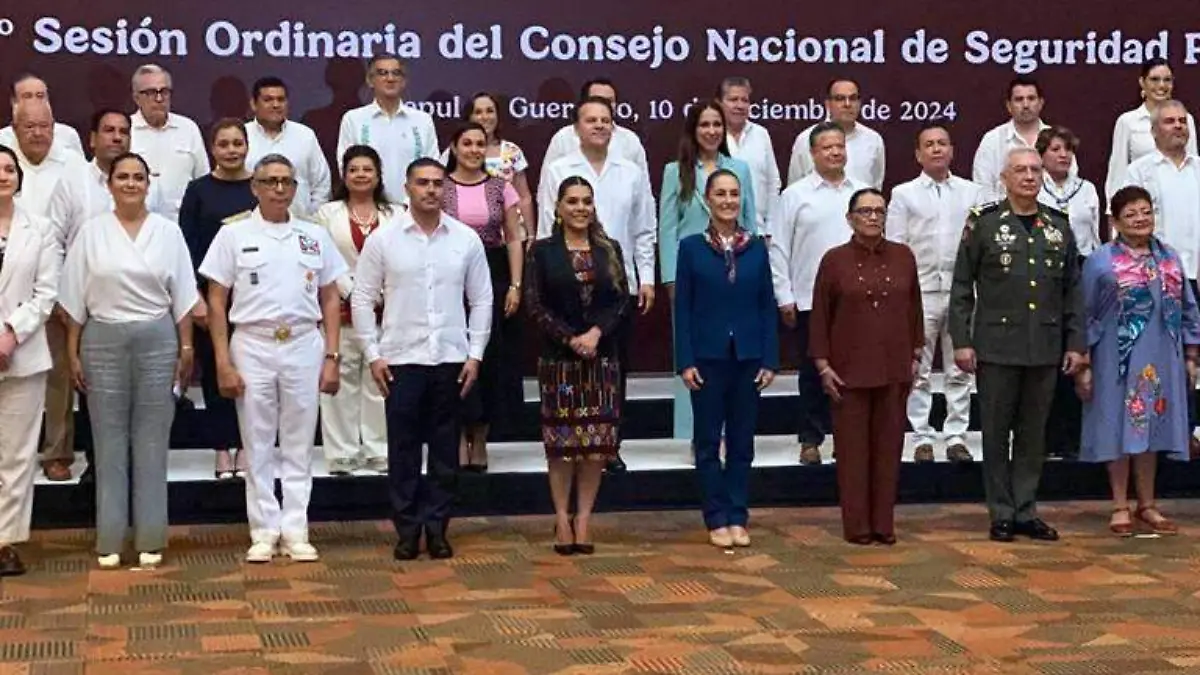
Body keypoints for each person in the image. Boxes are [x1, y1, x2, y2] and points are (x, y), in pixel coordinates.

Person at [198, 154, 345, 563]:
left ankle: (296, 528)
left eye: (286, 181)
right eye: (270, 181)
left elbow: (331, 295)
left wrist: (332, 355)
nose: (279, 189)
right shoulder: (233, 235)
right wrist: (223, 360)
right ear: (255, 187)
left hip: (302, 341)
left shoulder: (313, 234)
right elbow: (216, 297)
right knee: (257, 441)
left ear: (296, 188)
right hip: (253, 342)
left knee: (299, 441)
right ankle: (263, 530)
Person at [59, 152, 199, 569]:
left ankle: (152, 536)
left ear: (148, 185)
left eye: (139, 177)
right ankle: (110, 537)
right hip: (101, 341)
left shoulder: (167, 233)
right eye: (123, 177)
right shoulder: (90, 233)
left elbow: (184, 300)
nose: (131, 184)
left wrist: (186, 348)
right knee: (108, 440)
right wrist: (72, 352)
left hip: (158, 339)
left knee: (153, 439)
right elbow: (74, 301)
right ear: (109, 184)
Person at [352, 158, 492, 561]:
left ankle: (438, 527)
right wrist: (374, 354)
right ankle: (408, 530)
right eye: (422, 183)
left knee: (446, 452)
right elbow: (362, 297)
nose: (430, 190)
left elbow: (481, 299)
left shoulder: (465, 239)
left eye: (436, 183)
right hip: (401, 359)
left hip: (450, 358)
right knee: (404, 451)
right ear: (407, 187)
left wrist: (475, 354)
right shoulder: (384, 239)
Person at [949, 147, 1086, 543]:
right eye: (1020, 170)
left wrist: (1075, 342)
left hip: (1044, 344)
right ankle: (1001, 512)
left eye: (1035, 170)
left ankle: (1026, 509)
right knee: (995, 431)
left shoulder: (1058, 225)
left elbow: (1072, 291)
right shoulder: (985, 223)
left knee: (1033, 434)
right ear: (1004, 179)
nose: (1029, 176)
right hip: (996, 344)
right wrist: (962, 340)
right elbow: (962, 286)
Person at [47, 109, 166, 483]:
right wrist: (62, 299)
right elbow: (54, 239)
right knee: (94, 395)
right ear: (92, 139)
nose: (117, 137)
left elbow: (158, 242)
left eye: (123, 131)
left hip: (141, 307)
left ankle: (133, 469)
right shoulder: (72, 180)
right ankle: (98, 469)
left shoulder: (149, 185)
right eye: (109, 131)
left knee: (136, 398)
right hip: (84, 303)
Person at [538, 96, 656, 474]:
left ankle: (609, 445)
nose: (600, 126)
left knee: (614, 369)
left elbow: (644, 230)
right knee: (568, 367)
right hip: (565, 285)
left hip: (615, 289)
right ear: (577, 128)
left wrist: (646, 277)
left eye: (606, 120)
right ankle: (568, 444)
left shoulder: (631, 172)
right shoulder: (559, 168)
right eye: (592, 120)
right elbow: (545, 223)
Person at [1078, 186, 1200, 536]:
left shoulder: (1170, 258)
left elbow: (1189, 307)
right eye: (1130, 214)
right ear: (1115, 221)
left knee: (1152, 428)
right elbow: (1084, 314)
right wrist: (1084, 362)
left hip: (1163, 357)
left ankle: (1147, 504)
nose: (1140, 219)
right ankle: (1119, 504)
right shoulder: (1100, 261)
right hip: (1115, 358)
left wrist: (1191, 354)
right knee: (1119, 428)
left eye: (1145, 211)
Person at [810, 188, 922, 545]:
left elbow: (915, 310)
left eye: (879, 211)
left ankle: (883, 524)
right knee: (853, 453)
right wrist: (823, 365)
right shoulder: (834, 260)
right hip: (848, 371)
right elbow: (821, 317)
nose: (873, 217)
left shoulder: (904, 257)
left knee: (889, 451)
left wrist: (916, 353)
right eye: (865, 212)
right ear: (850, 218)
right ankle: (857, 525)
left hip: (893, 368)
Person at [524, 176, 629, 555]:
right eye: (572, 201)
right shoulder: (542, 251)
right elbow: (535, 305)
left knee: (596, 445)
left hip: (601, 360)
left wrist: (596, 334)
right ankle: (561, 516)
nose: (580, 208)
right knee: (563, 445)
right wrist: (571, 338)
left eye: (587, 201)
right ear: (558, 207)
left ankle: (584, 517)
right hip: (560, 362)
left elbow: (621, 301)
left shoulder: (609, 248)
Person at [674, 170, 778, 548]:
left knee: (742, 442)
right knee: (707, 441)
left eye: (734, 194)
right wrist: (685, 360)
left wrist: (770, 358)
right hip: (706, 357)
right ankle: (715, 515)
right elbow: (682, 309)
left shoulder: (756, 248)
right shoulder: (691, 248)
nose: (729, 200)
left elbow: (766, 304)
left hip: (748, 357)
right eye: (721, 194)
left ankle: (737, 513)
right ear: (707, 198)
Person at [768, 121, 866, 465]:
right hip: (809, 298)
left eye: (840, 146)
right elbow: (778, 246)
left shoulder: (862, 193)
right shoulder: (795, 195)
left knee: (853, 373)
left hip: (857, 301)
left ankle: (847, 438)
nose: (835, 152)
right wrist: (785, 295)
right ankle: (810, 440)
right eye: (827, 147)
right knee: (812, 374)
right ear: (812, 153)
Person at [660, 101, 757, 440]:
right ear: (693, 129)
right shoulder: (676, 170)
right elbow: (668, 227)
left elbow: (750, 220)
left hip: (733, 272)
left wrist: (752, 266)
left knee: (732, 353)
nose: (712, 131)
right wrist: (670, 277)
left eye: (717, 124)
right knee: (693, 354)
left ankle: (731, 434)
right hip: (693, 272)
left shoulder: (739, 169)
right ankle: (696, 435)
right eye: (705, 125)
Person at [887, 123, 982, 463]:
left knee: (960, 368)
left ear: (952, 150)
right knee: (917, 367)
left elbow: (979, 244)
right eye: (929, 144)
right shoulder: (903, 194)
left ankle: (956, 435)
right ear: (918, 154)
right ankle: (921, 436)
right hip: (921, 291)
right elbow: (896, 247)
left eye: (943, 143)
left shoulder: (973, 192)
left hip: (961, 292)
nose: (937, 149)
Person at [11, 99, 88, 481]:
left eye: (45, 126)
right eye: (30, 127)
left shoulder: (73, 165)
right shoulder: (6, 163)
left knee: (59, 374)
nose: (38, 133)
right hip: (9, 286)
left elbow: (73, 230)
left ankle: (58, 452)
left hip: (57, 286)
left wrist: (61, 292)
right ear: (15, 129)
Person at [178, 118, 258, 480]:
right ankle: (222, 449)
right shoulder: (198, 191)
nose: (231, 150)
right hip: (212, 299)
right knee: (215, 375)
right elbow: (186, 248)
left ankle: (247, 446)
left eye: (237, 143)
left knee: (252, 378)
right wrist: (194, 297)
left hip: (254, 299)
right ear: (212, 149)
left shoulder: (260, 188)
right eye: (224, 144)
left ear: (247, 146)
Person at [442, 124, 523, 471]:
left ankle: (481, 439)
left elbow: (514, 237)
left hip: (493, 273)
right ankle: (458, 436)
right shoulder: (439, 186)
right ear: (455, 149)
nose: (474, 149)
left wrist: (516, 285)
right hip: (448, 275)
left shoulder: (500, 187)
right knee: (454, 358)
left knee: (489, 358)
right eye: (467, 144)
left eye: (480, 144)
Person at [1124, 99, 1200, 458]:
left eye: (1183, 121)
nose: (1178, 127)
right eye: (1169, 122)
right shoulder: (1139, 171)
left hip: (1198, 275)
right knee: (1166, 368)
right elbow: (1128, 228)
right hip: (1159, 285)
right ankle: (1167, 439)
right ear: (1154, 132)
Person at [314, 146, 394, 476]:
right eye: (354, 169)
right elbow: (323, 259)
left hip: (387, 311)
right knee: (340, 382)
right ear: (344, 175)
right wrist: (356, 293)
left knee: (380, 382)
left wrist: (380, 295)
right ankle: (342, 453)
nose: (361, 174)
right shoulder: (326, 214)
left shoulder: (396, 214)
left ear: (378, 176)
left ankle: (379, 449)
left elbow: (401, 259)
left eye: (368, 169)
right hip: (339, 308)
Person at [0, 145, 59, 576]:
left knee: (17, 455)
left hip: (21, 354)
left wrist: (9, 334)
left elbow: (45, 293)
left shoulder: (40, 228)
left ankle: (5, 540)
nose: (3, 175)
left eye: (8, 168)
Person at [1037, 126, 1101, 460]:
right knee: (1051, 356)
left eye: (1067, 149)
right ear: (1042, 154)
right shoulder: (1034, 188)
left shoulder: (1087, 189)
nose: (1062, 155)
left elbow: (1095, 235)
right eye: (1055, 149)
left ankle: (1077, 439)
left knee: (1078, 352)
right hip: (1045, 276)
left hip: (1082, 272)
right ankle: (1048, 440)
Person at [337, 55, 438, 205]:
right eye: (382, 73)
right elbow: (345, 167)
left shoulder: (422, 120)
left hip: (413, 209)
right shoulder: (354, 119)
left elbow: (432, 167)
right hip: (370, 208)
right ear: (370, 80)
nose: (390, 79)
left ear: (404, 81)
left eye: (396, 73)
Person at [1105, 58, 1198, 205]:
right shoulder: (1128, 121)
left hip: (1181, 201)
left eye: (1167, 80)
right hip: (1140, 208)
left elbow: (1192, 163)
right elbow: (1118, 172)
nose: (1161, 85)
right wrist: (1114, 213)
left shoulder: (1186, 119)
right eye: (1154, 79)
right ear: (1142, 82)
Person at [128, 63, 210, 221]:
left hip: (183, 224)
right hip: (137, 223)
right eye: (151, 92)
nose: (159, 98)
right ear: (136, 98)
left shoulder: (188, 128)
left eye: (164, 92)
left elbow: (203, 180)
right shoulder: (126, 129)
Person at [973, 77, 1076, 202]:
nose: (1026, 105)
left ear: (1041, 103)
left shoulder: (1058, 138)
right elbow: (982, 189)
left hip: (1053, 216)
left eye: (1031, 98)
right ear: (1009, 105)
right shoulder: (993, 140)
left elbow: (1071, 181)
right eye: (1019, 99)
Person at [245, 76, 331, 218]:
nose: (276, 105)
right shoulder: (241, 137)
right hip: (251, 228)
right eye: (268, 100)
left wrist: (312, 219)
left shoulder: (305, 135)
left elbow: (321, 184)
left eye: (281, 99)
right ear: (253, 104)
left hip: (300, 226)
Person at [540, 78, 649, 184]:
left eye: (610, 101)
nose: (604, 105)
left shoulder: (630, 140)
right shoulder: (563, 138)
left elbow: (644, 191)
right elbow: (546, 187)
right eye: (598, 99)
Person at [456, 92, 536, 234]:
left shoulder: (512, 151)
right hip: (467, 234)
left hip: (510, 236)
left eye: (490, 111)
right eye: (478, 112)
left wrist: (531, 236)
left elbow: (524, 197)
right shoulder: (456, 152)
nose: (485, 117)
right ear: (470, 117)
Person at [786, 79, 885, 189]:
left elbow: (876, 185)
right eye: (840, 99)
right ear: (828, 104)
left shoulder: (873, 140)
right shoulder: (806, 139)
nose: (847, 104)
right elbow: (794, 186)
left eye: (853, 98)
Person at [718, 77, 780, 232]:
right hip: (717, 232)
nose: (739, 105)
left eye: (744, 100)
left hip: (757, 231)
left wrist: (771, 228)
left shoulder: (761, 134)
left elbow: (773, 183)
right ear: (719, 103)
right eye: (733, 100)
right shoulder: (712, 136)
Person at [0, 73, 84, 155]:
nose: (34, 100)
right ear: (14, 102)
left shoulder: (68, 135)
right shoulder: (2, 138)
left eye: (40, 95)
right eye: (27, 96)